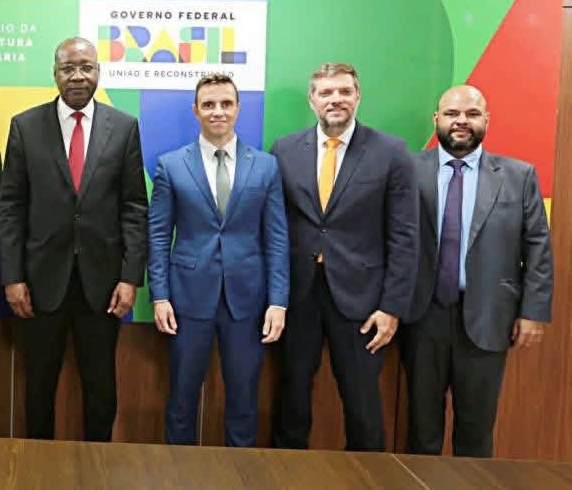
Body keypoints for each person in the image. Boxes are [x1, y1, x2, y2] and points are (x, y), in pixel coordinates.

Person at [0, 37, 148, 442]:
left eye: (86, 67)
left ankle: (99, 463)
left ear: (98, 71)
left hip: (103, 285)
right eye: (68, 68)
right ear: (55, 74)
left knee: (101, 388)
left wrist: (130, 277)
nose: (77, 76)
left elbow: (135, 206)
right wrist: (12, 277)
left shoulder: (124, 127)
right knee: (39, 386)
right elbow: (10, 206)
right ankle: (36, 464)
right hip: (39, 283)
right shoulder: (26, 126)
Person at [270, 62, 418, 451]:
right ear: (312, 100)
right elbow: (275, 226)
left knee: (362, 401)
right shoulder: (285, 150)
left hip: (362, 299)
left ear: (358, 96)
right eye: (326, 92)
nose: (335, 99)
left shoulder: (391, 152)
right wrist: (274, 296)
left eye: (344, 91)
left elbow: (405, 235)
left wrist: (391, 307)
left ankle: (368, 474)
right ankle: (285, 471)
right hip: (299, 295)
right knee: (292, 396)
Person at [401, 85, 552, 457]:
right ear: (436, 119)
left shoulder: (518, 176)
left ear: (486, 120)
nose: (461, 121)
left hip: (488, 316)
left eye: (471, 114)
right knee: (421, 429)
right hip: (422, 315)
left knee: (476, 431)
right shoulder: (406, 170)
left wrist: (533, 312)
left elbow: (537, 246)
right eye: (452, 113)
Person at [148, 74, 289, 446]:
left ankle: (240, 470)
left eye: (226, 103)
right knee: (181, 399)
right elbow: (158, 235)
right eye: (208, 104)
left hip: (247, 301)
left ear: (238, 108)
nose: (218, 111)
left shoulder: (266, 166)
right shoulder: (171, 165)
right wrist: (160, 296)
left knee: (243, 400)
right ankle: (177, 469)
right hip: (187, 299)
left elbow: (277, 238)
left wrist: (278, 301)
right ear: (195, 110)